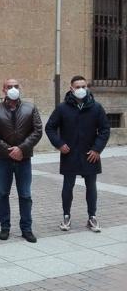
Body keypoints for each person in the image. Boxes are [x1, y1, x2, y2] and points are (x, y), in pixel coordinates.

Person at [45, 75, 110, 233]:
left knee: (91, 187)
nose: (81, 89)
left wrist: (97, 149)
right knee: (68, 186)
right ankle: (66, 216)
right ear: (71, 89)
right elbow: (50, 128)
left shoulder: (96, 107)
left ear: (87, 87)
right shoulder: (62, 108)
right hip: (70, 154)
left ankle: (92, 217)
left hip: (90, 154)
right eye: (77, 87)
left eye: (83, 86)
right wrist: (59, 144)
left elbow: (105, 130)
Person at [0, 78, 43, 243]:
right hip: (4, 159)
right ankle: (5, 227)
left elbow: (37, 131)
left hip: (24, 159)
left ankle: (27, 228)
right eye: (9, 86)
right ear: (3, 90)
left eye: (16, 86)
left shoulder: (30, 108)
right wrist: (8, 150)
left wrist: (21, 149)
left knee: (25, 195)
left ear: (20, 88)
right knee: (2, 193)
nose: (13, 89)